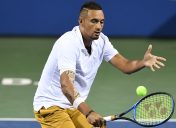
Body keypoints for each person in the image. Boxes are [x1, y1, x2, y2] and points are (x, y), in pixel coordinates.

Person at [33, 1, 166, 128]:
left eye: (101, 22)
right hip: (50, 106)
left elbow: (125, 65)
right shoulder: (68, 43)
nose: (98, 26)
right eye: (94, 21)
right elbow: (66, 84)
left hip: (72, 106)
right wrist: (88, 112)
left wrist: (143, 62)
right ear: (81, 21)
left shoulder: (102, 41)